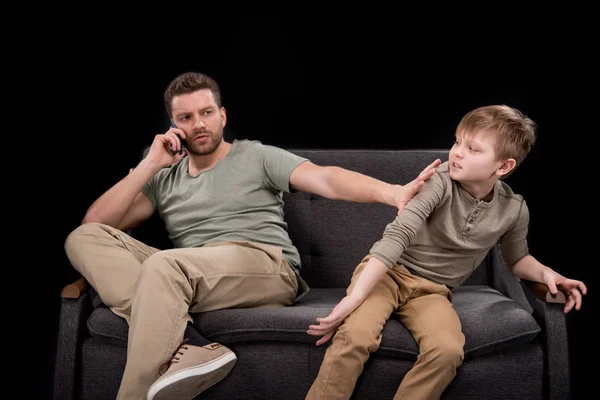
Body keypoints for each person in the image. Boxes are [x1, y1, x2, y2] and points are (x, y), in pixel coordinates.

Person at [63, 71, 441, 400]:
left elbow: (325, 178)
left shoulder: (256, 156)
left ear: (222, 116)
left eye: (206, 112)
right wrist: (150, 164)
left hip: (263, 264)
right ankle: (188, 342)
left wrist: (391, 192)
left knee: (164, 266)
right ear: (173, 125)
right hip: (191, 274)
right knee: (81, 240)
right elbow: (96, 223)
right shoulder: (165, 177)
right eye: (186, 117)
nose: (198, 123)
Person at [304, 104, 588, 400]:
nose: (457, 152)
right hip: (388, 274)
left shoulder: (513, 209)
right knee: (356, 336)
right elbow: (397, 236)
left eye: (473, 149)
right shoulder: (438, 181)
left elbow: (516, 259)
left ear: (503, 167)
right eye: (457, 141)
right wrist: (355, 297)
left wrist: (548, 274)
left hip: (432, 291)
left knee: (447, 351)